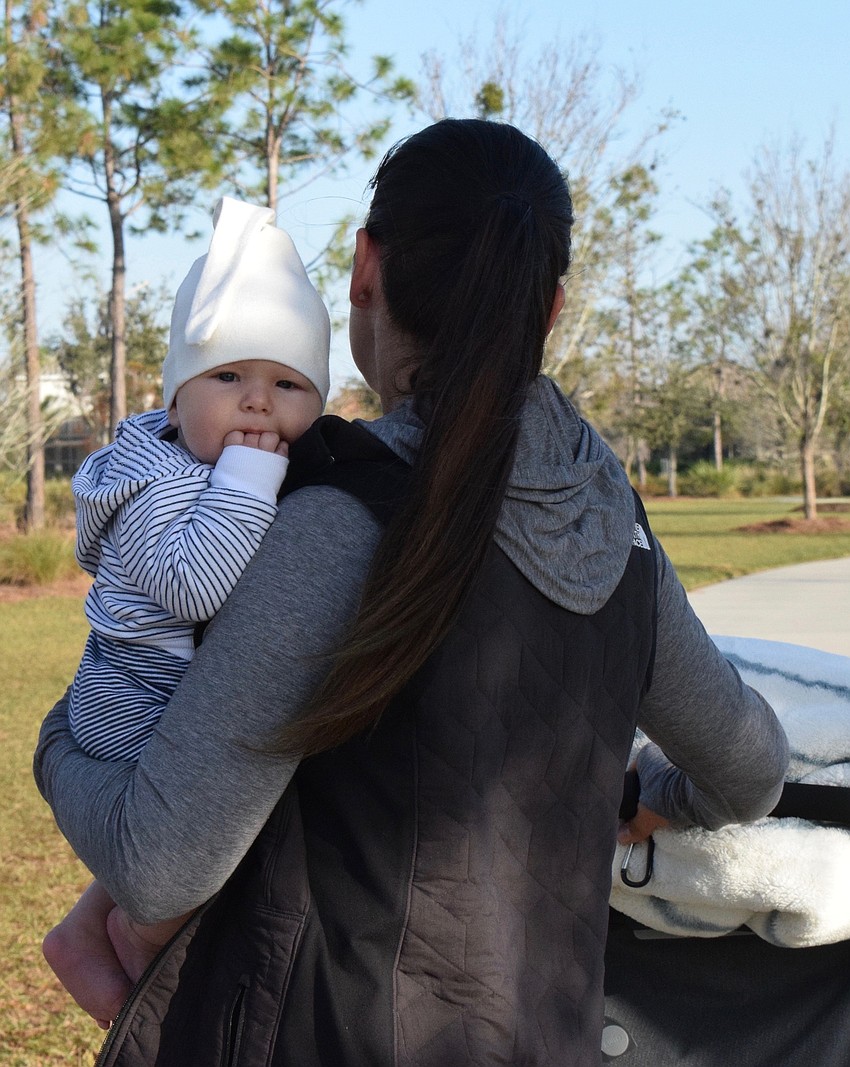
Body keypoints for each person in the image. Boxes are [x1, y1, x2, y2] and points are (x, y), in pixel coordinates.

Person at [35, 119, 788, 1066]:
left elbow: (159, 862)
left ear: (364, 271)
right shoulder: (611, 519)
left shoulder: (342, 515)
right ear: (549, 308)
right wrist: (647, 796)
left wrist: (56, 740)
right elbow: (750, 768)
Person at [40, 195, 330, 1029]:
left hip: (144, 691)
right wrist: (248, 481)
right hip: (131, 704)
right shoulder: (167, 482)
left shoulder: (191, 465)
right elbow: (193, 585)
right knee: (182, 884)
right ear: (174, 399)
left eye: (286, 384)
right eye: (229, 376)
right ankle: (142, 994)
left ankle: (91, 940)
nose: (256, 403)